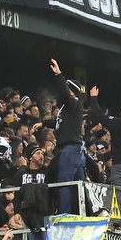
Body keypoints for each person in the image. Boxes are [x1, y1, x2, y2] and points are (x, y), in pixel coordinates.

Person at [47, 59, 84, 214]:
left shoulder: (73, 102)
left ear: (72, 91)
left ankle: (64, 216)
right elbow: (58, 122)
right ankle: (82, 213)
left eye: (67, 89)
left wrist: (59, 75)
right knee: (79, 186)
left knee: (64, 185)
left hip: (70, 150)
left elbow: (64, 92)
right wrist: (42, 124)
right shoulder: (68, 108)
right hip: (74, 150)